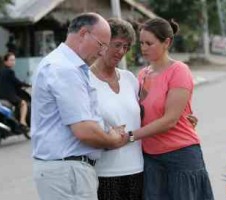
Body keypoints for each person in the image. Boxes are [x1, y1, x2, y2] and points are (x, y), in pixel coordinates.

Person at [31, 13, 128, 200]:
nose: (102, 52)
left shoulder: (66, 65)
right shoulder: (64, 69)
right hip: (68, 172)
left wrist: (107, 131)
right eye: (102, 45)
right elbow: (84, 129)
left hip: (67, 170)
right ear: (84, 33)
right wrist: (112, 139)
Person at [129, 18, 214, 200]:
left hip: (180, 155)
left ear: (166, 42)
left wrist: (130, 136)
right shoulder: (142, 74)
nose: (143, 48)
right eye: (141, 43)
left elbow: (170, 120)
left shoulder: (179, 71)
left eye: (149, 43)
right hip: (151, 157)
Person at [90, 18, 143, 200]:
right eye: (117, 45)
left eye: (126, 47)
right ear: (104, 44)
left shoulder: (130, 79)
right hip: (105, 173)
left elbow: (150, 112)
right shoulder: (86, 80)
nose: (121, 52)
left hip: (138, 168)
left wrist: (184, 116)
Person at [0, 52, 30, 128]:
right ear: (5, 61)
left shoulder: (0, 72)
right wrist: (27, 84)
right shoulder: (10, 72)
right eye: (11, 60)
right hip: (8, 96)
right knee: (23, 103)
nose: (13, 62)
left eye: (14, 60)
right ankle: (22, 122)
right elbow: (16, 82)